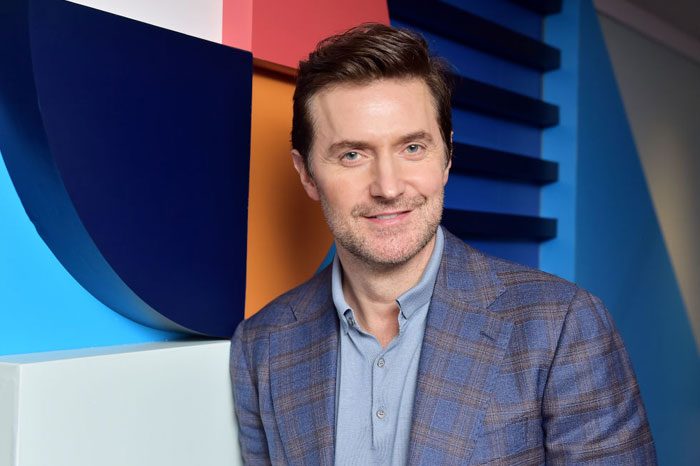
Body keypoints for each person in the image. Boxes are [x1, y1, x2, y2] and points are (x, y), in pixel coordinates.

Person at [230, 23, 656, 465]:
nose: (388, 187)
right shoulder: (261, 346)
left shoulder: (563, 328)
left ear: (447, 157)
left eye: (412, 148)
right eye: (352, 154)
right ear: (306, 173)